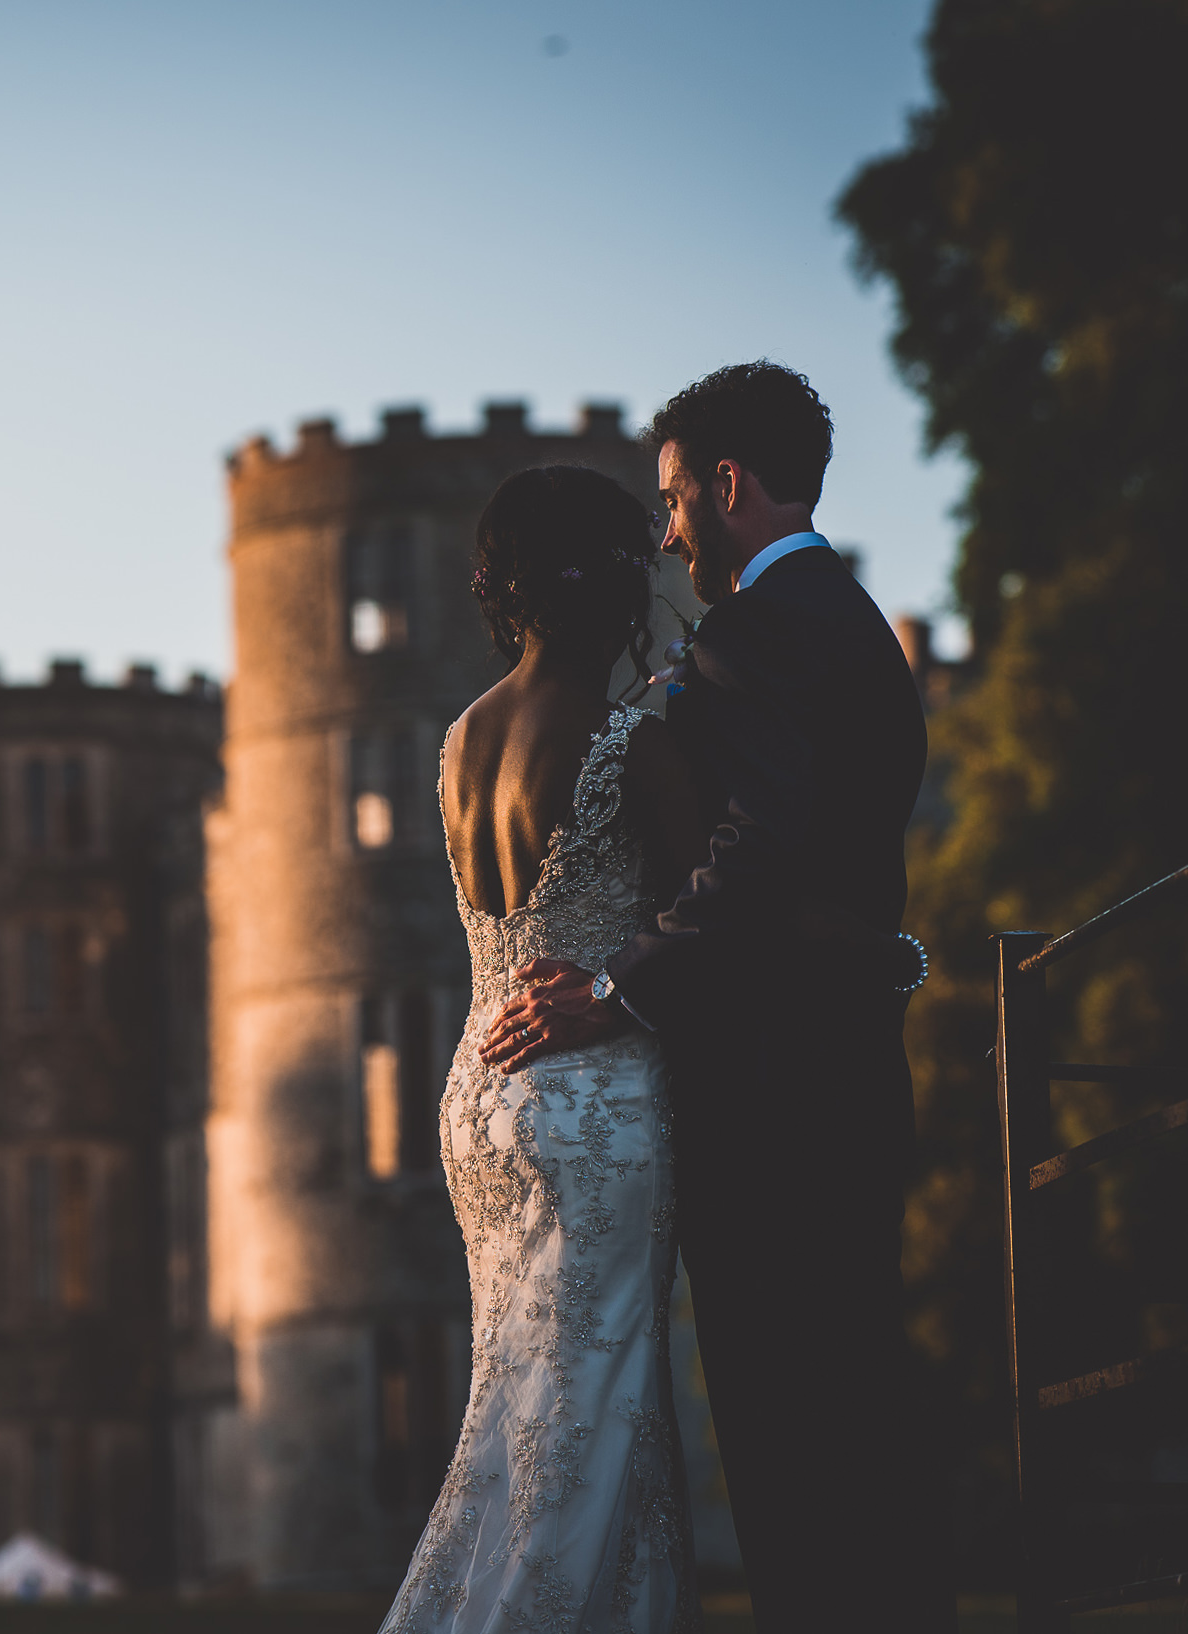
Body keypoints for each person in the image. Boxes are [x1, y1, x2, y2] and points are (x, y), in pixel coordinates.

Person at [479, 362, 954, 1633]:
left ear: (730, 484)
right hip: (841, 1071)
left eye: (678, 496)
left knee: (791, 1437)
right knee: (853, 1415)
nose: (670, 529)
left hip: (774, 1093)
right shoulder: (845, 617)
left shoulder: (757, 635)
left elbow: (752, 855)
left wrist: (616, 988)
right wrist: (883, 956)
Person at [379, 463, 707, 1632]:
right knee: (597, 1406)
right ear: (620, 582)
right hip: (592, 1098)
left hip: (476, 1092)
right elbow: (704, 927)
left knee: (518, 1409)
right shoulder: (636, 744)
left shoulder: (459, 738)